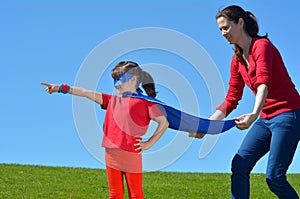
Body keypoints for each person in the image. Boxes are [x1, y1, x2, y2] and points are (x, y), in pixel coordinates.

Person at [193, 5, 300, 199]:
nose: (223, 33)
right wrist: (208, 126)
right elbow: (232, 98)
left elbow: (263, 83)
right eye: (220, 30)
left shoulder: (262, 46)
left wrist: (253, 114)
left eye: (225, 27)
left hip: (288, 115)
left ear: (240, 23)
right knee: (239, 165)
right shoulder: (237, 60)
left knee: (274, 177)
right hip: (266, 118)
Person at [41, 61, 169, 199]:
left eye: (120, 79)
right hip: (111, 154)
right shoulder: (112, 100)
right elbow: (85, 93)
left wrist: (148, 144)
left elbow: (164, 122)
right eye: (114, 80)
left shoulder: (146, 103)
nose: (116, 84)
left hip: (131, 154)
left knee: (135, 194)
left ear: (133, 80)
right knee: (115, 194)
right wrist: (60, 88)